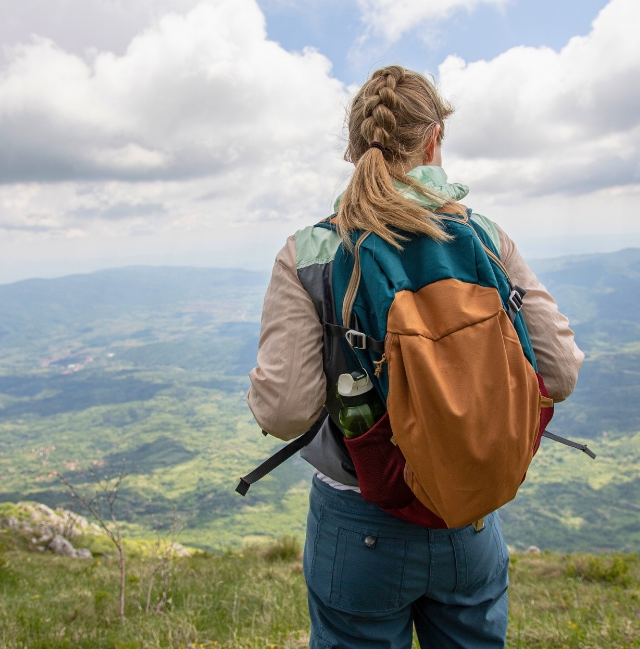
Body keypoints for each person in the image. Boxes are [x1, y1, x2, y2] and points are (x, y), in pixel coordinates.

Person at [247, 65, 584, 649]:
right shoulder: (483, 237)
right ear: (434, 141)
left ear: (355, 150)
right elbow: (559, 371)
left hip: (358, 523)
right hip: (468, 517)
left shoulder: (310, 252)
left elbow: (284, 413)